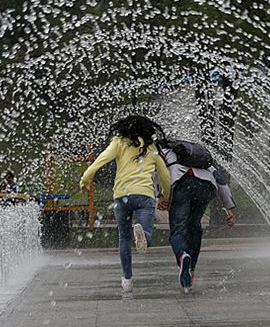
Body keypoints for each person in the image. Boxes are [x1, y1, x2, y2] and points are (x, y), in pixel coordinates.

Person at [80, 115, 172, 293]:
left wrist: (85, 179)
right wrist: (165, 196)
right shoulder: (152, 148)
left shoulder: (119, 142)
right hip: (145, 196)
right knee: (146, 237)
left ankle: (127, 279)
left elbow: (100, 160)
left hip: (122, 196)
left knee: (124, 237)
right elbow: (165, 177)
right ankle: (142, 234)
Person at [157, 138, 236, 292]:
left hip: (181, 185)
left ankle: (183, 256)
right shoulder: (199, 157)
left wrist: (161, 196)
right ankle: (191, 269)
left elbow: (159, 173)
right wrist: (229, 208)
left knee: (178, 230)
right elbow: (220, 179)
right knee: (194, 227)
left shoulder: (164, 152)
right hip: (205, 187)